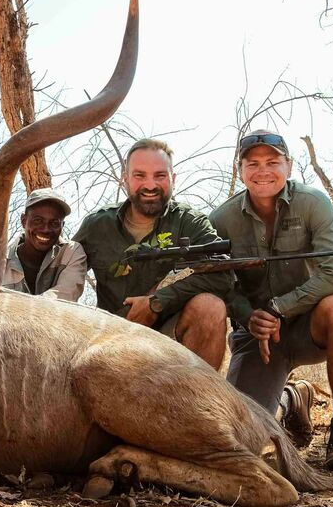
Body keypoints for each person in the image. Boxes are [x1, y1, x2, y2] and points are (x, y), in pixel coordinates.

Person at [210, 129, 333, 471]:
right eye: (253, 163)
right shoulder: (221, 220)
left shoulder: (313, 203)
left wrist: (279, 308)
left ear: (289, 166)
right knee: (243, 439)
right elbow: (218, 282)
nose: (263, 170)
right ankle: (291, 400)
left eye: (272, 162)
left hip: (310, 326)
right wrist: (248, 315)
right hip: (259, 336)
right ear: (240, 170)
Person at [73, 139, 230, 370]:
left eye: (159, 176)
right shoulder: (97, 225)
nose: (150, 185)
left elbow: (223, 274)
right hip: (109, 339)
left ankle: (197, 404)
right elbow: (65, 268)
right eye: (139, 175)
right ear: (124, 178)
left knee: (210, 308)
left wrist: (158, 302)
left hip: (169, 337)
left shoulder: (190, 221)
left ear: (173, 179)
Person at [2, 188, 87, 303]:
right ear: (23, 221)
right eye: (38, 220)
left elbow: (65, 298)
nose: (46, 229)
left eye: (54, 223)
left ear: (63, 225)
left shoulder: (72, 253)